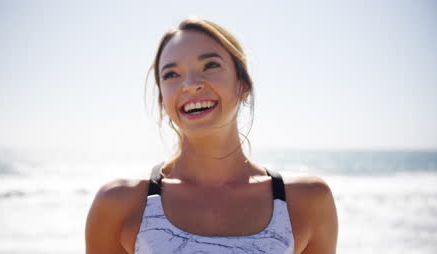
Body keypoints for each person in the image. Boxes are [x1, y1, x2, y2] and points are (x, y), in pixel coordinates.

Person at [85, 18, 338, 254]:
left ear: (243, 85)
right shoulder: (119, 204)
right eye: (171, 74)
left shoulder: (307, 201)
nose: (190, 84)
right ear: (163, 98)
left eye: (211, 65)